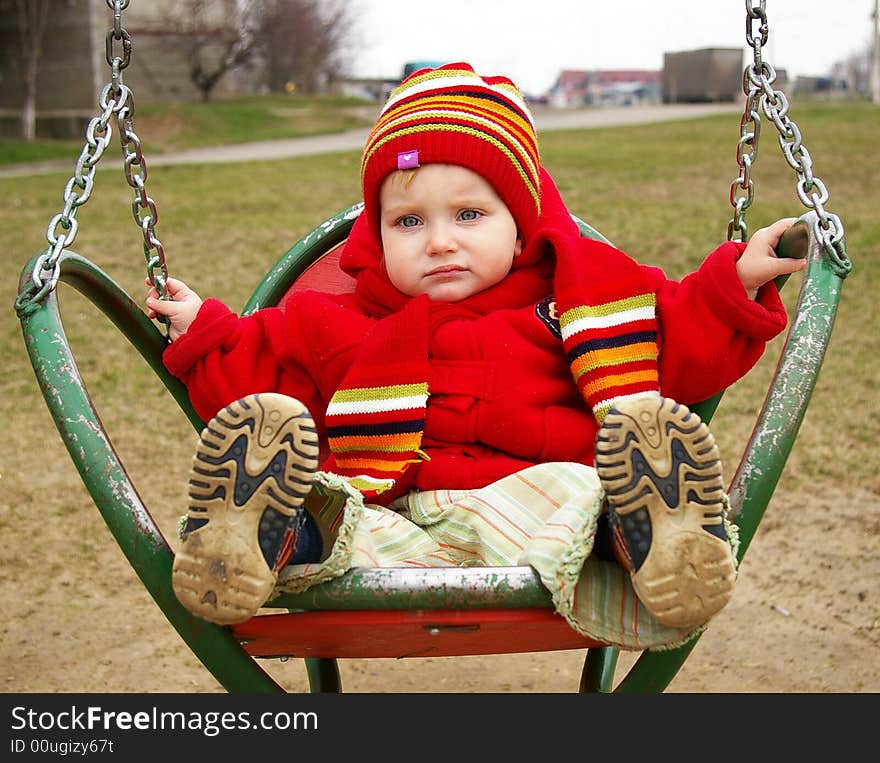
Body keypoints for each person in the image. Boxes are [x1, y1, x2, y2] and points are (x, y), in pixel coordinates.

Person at [147, 62, 803, 647]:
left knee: (582, 492)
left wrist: (734, 286)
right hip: (392, 524)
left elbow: (679, 336)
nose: (437, 242)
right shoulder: (334, 321)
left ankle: (649, 535)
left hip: (533, 521)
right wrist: (201, 328)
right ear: (376, 237)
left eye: (468, 215)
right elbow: (253, 375)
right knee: (327, 503)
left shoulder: (575, 305)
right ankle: (265, 533)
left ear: (521, 222)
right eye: (409, 221)